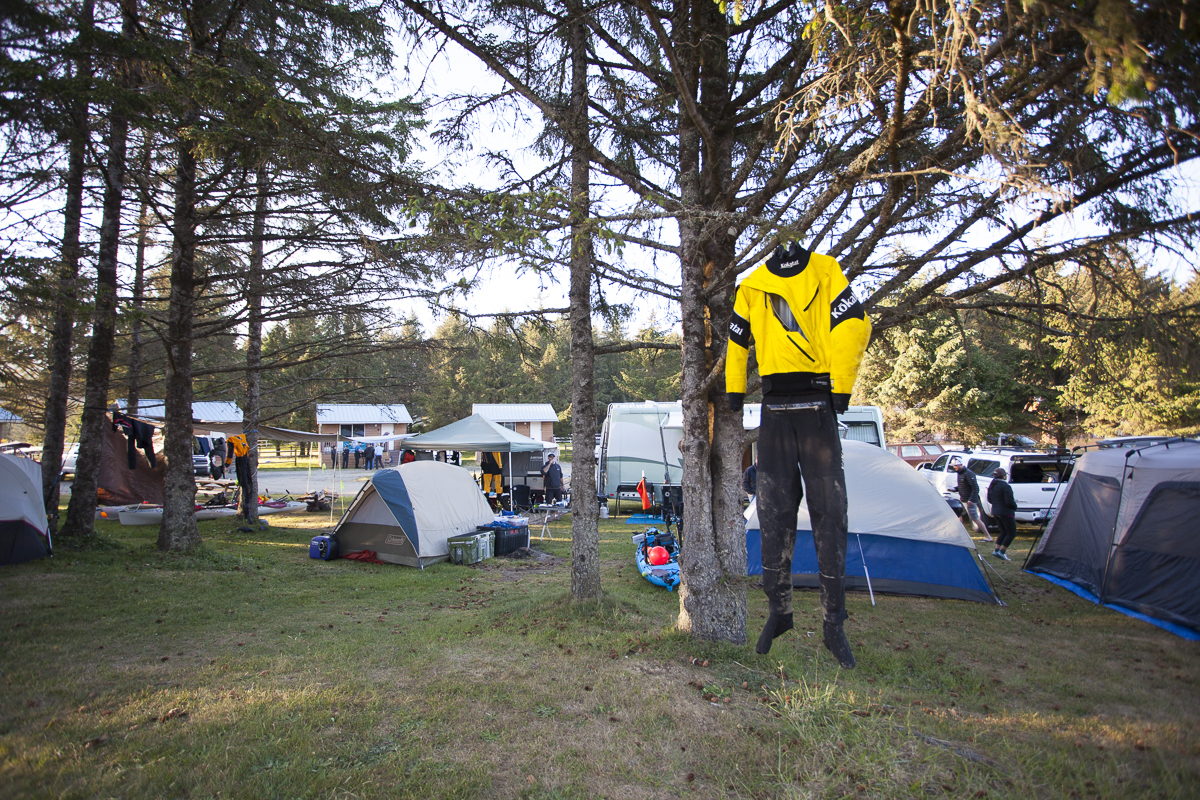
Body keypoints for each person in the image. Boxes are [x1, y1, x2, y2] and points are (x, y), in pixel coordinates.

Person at [725, 241, 872, 667]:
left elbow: (855, 323)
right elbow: (737, 340)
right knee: (773, 513)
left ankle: (833, 623)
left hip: (815, 404)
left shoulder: (826, 272)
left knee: (830, 513)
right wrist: (735, 389)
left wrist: (841, 383)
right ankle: (779, 612)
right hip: (779, 407)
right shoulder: (752, 285)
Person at [950, 457, 993, 541]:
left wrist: (972, 499)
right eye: (954, 466)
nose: (954, 468)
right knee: (959, 515)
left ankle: (988, 536)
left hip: (969, 501)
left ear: (961, 465)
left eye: (956, 466)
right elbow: (964, 486)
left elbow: (975, 487)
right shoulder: (960, 473)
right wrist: (955, 489)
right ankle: (960, 534)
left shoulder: (968, 473)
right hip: (963, 499)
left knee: (974, 518)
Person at [987, 467, 1018, 560]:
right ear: (1004, 476)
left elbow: (989, 500)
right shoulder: (1005, 486)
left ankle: (996, 550)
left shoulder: (992, 485)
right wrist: (1014, 506)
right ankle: (1002, 551)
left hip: (996, 511)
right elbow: (1009, 501)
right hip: (1006, 512)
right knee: (1011, 532)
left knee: (1003, 531)